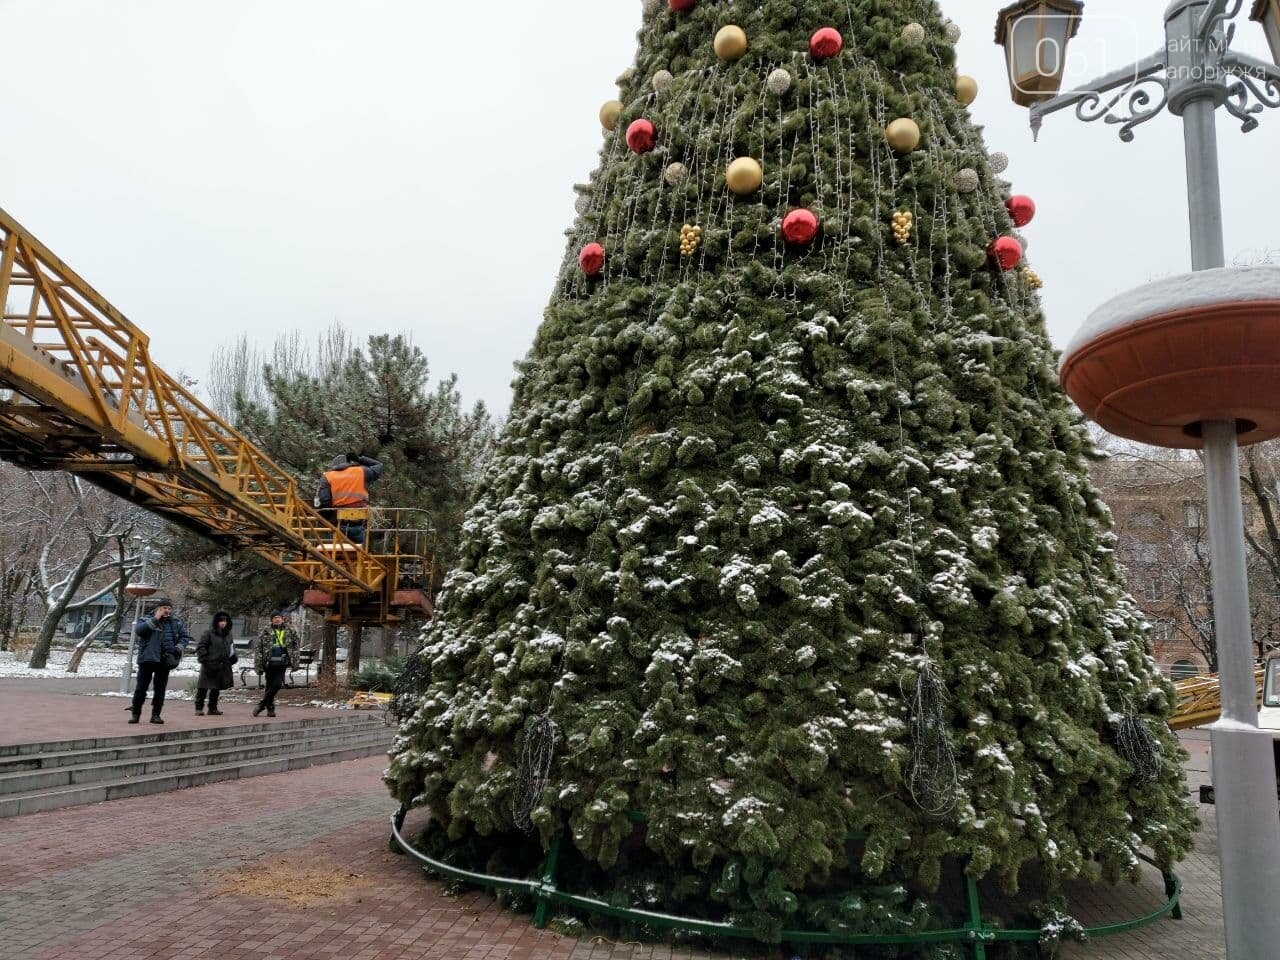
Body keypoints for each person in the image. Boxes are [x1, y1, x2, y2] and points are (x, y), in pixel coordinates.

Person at [129, 598, 192, 725]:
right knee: (141, 688)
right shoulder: (146, 619)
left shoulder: (175, 622)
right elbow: (139, 631)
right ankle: (136, 714)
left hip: (165, 660)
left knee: (160, 689)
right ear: (158, 609)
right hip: (147, 659)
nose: (167, 611)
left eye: (169, 608)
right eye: (164, 608)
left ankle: (156, 715)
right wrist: (155, 618)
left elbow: (184, 637)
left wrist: (178, 649)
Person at [314, 452, 384, 545]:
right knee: (358, 551)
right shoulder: (361, 471)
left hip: (338, 522)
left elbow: (323, 501)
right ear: (349, 463)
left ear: (333, 466)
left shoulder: (328, 476)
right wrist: (360, 459)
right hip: (358, 519)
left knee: (336, 551)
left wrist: (328, 519)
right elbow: (379, 465)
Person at [253, 611, 300, 718]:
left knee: (278, 684)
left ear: (282, 619)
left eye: (279, 617)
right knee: (269, 686)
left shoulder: (289, 630)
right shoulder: (265, 632)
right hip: (269, 663)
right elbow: (258, 649)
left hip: (281, 663)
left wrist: (295, 661)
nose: (277, 619)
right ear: (271, 620)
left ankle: (262, 704)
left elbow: (295, 646)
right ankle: (270, 708)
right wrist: (259, 664)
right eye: (274, 617)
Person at [195, 611, 236, 716]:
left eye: (225, 621)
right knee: (203, 687)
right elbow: (201, 647)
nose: (223, 623)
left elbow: (231, 647)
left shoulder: (228, 634)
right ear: (216, 622)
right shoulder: (208, 633)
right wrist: (205, 659)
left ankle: (212, 708)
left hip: (221, 665)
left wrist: (232, 657)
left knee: (216, 688)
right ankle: (199, 708)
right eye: (221, 621)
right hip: (209, 664)